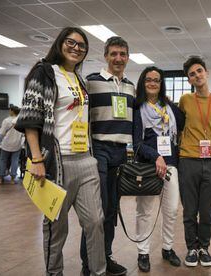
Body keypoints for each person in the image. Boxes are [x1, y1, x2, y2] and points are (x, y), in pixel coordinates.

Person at [15, 27, 106, 276]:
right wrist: (36, 159)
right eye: (71, 42)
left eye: (82, 46)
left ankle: (98, 272)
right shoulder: (44, 72)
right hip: (57, 162)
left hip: (86, 160)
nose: (76, 48)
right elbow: (31, 120)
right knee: (56, 226)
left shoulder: (79, 79)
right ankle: (54, 273)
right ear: (60, 43)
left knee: (96, 222)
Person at [80, 36, 134, 276]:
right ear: (105, 56)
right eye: (113, 54)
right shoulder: (91, 82)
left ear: (128, 57)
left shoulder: (131, 86)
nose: (118, 58)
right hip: (98, 148)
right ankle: (88, 264)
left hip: (121, 152)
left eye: (122, 54)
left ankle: (106, 256)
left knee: (112, 210)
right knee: (97, 209)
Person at [132, 66, 184, 272]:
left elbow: (186, 121)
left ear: (161, 84)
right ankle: (143, 252)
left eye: (157, 80)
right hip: (146, 167)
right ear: (142, 83)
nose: (153, 83)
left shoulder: (171, 109)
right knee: (144, 211)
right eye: (148, 80)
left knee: (171, 211)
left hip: (171, 165)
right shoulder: (137, 109)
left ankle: (167, 248)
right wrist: (156, 157)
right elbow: (136, 144)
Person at [178, 57, 211, 267]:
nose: (197, 75)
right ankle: (191, 247)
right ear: (189, 80)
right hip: (188, 160)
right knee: (189, 210)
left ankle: (204, 247)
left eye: (199, 71)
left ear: (206, 72)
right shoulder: (185, 101)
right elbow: (179, 129)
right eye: (192, 74)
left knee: (207, 211)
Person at [0, 105, 23, 184]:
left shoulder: (6, 120)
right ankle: (12, 180)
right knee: (15, 161)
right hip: (17, 144)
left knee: (3, 160)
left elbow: (1, 133)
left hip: (6, 144)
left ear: (12, 111)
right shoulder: (20, 121)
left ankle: (0, 179)